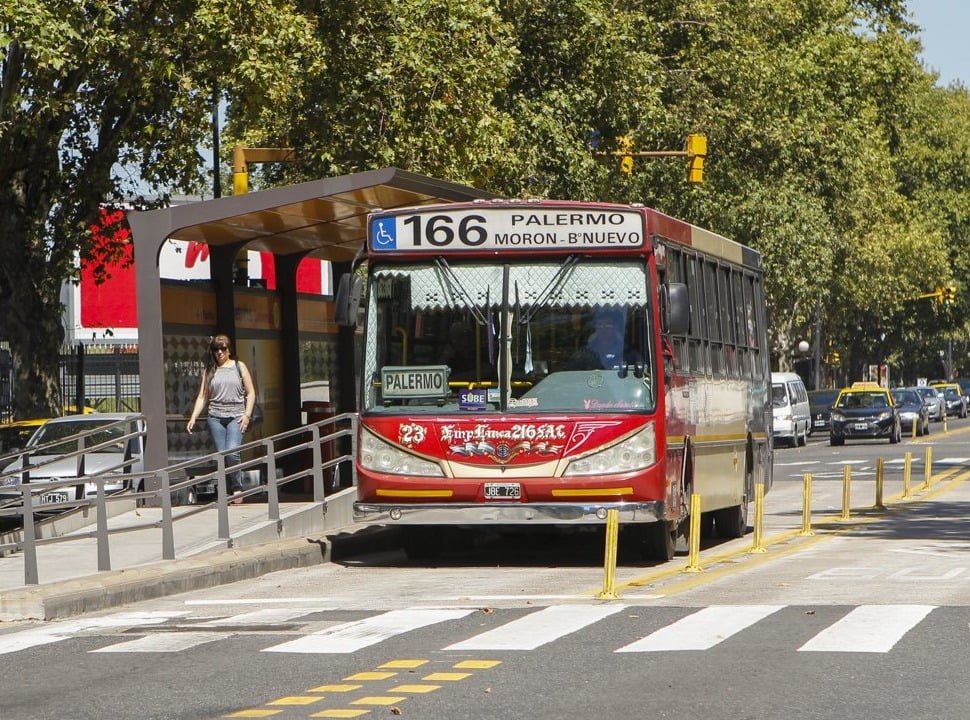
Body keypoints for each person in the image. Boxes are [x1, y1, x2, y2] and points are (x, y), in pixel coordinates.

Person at [187, 334, 256, 499]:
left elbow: (251, 392)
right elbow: (203, 396)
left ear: (229, 350)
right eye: (216, 349)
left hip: (236, 417)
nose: (219, 352)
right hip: (215, 417)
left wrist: (247, 415)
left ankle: (237, 487)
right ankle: (226, 490)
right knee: (221, 455)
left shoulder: (239, 366)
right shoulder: (210, 370)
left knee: (232, 452)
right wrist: (193, 417)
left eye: (223, 348)